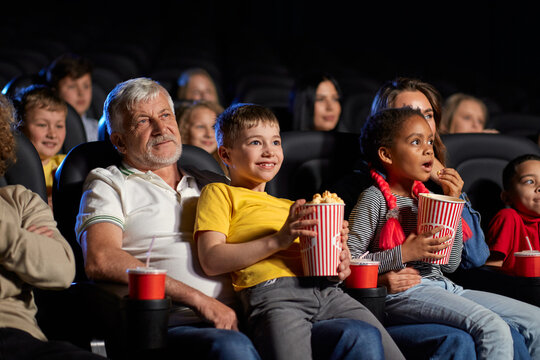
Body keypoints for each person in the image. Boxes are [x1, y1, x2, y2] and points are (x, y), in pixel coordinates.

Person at [195, 103, 405, 360]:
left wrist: (340, 259)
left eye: (275, 142)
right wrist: (278, 240)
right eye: (255, 143)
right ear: (226, 156)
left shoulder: (292, 206)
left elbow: (328, 265)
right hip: (275, 295)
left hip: (327, 292)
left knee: (392, 354)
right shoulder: (219, 193)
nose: (269, 151)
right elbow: (211, 260)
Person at [75, 78, 260, 360]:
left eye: (165, 115)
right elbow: (101, 259)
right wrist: (200, 300)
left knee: (348, 333)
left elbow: (261, 238)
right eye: (143, 121)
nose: (161, 129)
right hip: (172, 323)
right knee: (232, 348)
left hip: (254, 311)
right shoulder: (108, 183)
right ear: (119, 141)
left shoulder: (215, 183)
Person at [348, 106, 540, 359]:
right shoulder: (374, 199)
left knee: (536, 321)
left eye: (429, 141)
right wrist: (404, 252)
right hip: (404, 293)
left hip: (445, 287)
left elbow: (449, 265)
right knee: (493, 328)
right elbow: (347, 264)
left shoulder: (429, 199)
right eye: (416, 142)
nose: (429, 149)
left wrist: (454, 202)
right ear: (386, 154)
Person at [0, 93, 102, 360]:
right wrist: (25, 240)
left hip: (14, 335)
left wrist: (5, 236)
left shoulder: (20, 199)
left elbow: (60, 269)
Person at [370, 77, 489, 272]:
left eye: (428, 115)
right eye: (410, 114)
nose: (422, 123)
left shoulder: (434, 181)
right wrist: (381, 280)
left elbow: (475, 257)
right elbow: (350, 260)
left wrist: (452, 194)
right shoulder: (366, 188)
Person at [13, 84, 67, 207]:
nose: (52, 134)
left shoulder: (67, 165)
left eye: (59, 126)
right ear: (20, 127)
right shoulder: (14, 169)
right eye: (42, 125)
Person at [486, 154, 540, 273]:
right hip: (514, 288)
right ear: (507, 197)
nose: (539, 187)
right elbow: (491, 268)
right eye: (530, 181)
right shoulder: (508, 217)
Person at [46, 53, 99, 142]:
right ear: (55, 91)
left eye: (86, 86)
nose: (81, 93)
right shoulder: (51, 133)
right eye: (72, 87)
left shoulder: (96, 128)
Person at [177, 100, 228, 176]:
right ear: (185, 130)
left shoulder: (231, 169)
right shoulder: (175, 171)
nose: (209, 134)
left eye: (214, 127)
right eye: (200, 127)